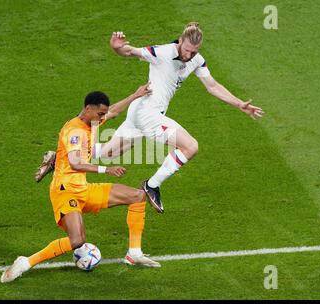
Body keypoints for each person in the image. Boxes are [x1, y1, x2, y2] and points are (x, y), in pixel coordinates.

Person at [94, 22, 264, 213]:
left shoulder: (197, 60)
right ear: (180, 40)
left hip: (139, 111)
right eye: (187, 50)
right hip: (147, 113)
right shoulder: (162, 52)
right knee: (190, 146)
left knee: (109, 153)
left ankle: (65, 155)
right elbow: (129, 52)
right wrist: (116, 47)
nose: (188, 55)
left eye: (194, 51)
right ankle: (152, 185)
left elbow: (213, 86)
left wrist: (239, 104)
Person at [1, 84, 159, 283]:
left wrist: (135, 95)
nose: (102, 118)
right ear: (88, 109)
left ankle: (134, 253)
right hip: (66, 190)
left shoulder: (90, 122)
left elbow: (114, 111)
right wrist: (106, 169)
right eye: (100, 114)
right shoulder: (75, 131)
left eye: (103, 114)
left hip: (82, 188)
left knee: (137, 196)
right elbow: (75, 163)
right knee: (77, 241)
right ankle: (26, 262)